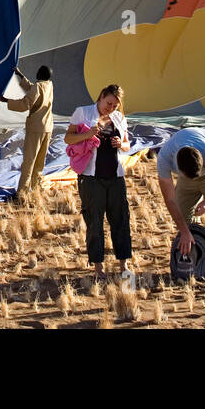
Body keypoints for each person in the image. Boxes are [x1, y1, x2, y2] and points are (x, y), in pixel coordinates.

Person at [155, 127, 205, 286]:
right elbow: (170, 200)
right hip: (186, 176)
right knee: (182, 219)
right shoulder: (165, 157)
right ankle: (192, 265)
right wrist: (184, 231)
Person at [66, 84, 132, 275]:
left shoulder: (119, 118)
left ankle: (123, 264)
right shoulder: (82, 113)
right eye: (109, 103)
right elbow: (68, 138)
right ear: (101, 96)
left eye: (115, 106)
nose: (110, 108)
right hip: (91, 178)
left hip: (115, 177)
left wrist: (122, 144)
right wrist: (88, 134)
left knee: (120, 219)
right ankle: (98, 267)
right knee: (94, 221)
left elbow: (128, 144)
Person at [7, 65, 53, 198]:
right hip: (48, 127)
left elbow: (25, 104)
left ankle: (22, 192)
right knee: (40, 161)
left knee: (29, 161)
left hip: (36, 128)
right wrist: (20, 76)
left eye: (38, 71)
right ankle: (36, 189)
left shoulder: (37, 87)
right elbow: (34, 90)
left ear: (40, 74)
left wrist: (6, 101)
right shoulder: (49, 85)